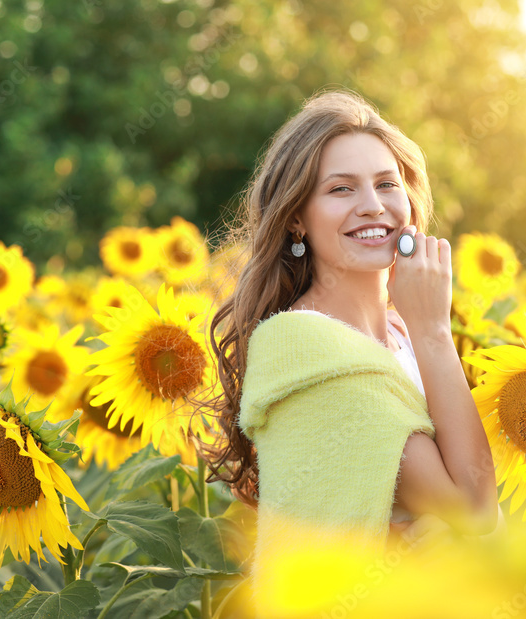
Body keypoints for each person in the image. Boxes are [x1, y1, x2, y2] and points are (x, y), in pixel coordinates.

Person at [197, 89, 501, 609]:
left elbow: (475, 526)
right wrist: (435, 330)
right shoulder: (307, 347)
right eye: (340, 189)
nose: (373, 205)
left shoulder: (404, 336)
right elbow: (473, 508)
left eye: (387, 184)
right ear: (296, 218)